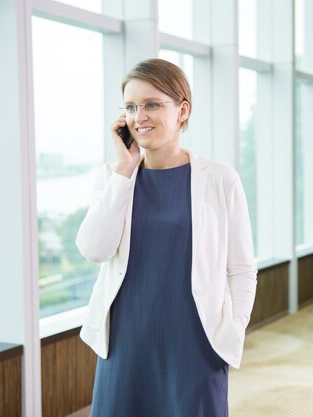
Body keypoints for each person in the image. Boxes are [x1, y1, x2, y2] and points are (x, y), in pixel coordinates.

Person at [76, 58, 258, 416]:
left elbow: (241, 269)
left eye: (152, 104)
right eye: (131, 107)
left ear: (182, 111)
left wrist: (232, 330)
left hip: (196, 347)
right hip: (125, 349)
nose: (139, 116)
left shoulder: (221, 179)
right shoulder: (112, 178)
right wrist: (125, 170)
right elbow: (94, 249)